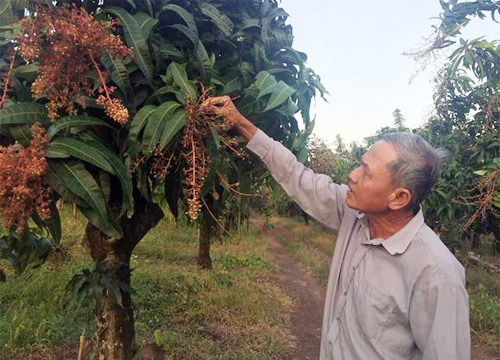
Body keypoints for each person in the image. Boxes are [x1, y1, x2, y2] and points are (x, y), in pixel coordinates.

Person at [200, 95, 471, 360]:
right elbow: (296, 175)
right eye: (359, 164)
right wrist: (239, 121)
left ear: (399, 198)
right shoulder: (354, 214)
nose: (351, 175)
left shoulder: (436, 274)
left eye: (365, 171)